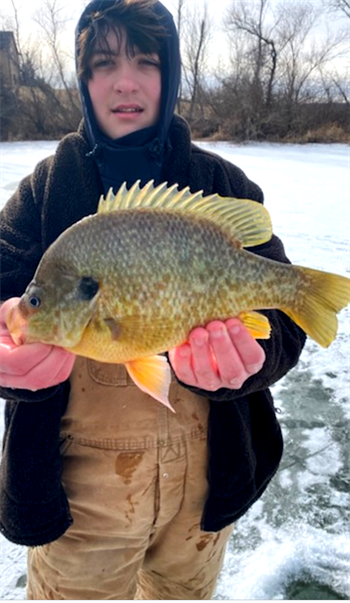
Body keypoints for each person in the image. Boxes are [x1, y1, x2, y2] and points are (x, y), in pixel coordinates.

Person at [0, 0, 306, 599]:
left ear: (170, 77)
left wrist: (250, 363)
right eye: (104, 62)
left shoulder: (223, 185)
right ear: (84, 79)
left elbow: (287, 322)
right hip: (78, 506)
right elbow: (11, 301)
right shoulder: (41, 192)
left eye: (147, 61)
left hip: (201, 495)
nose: (126, 80)